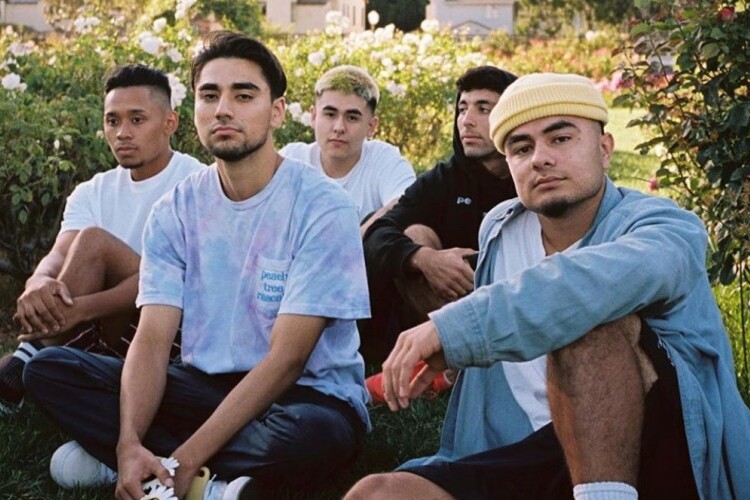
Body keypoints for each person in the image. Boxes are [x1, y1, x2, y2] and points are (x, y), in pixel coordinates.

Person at [345, 73, 750, 500]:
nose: (540, 158)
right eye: (522, 148)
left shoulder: (667, 228)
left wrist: (455, 329)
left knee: (589, 327)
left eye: (560, 139)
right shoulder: (500, 230)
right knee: (377, 493)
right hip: (535, 451)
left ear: (604, 149)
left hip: (650, 451)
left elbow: (583, 287)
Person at [23, 31, 371, 500]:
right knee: (49, 370)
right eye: (210, 95)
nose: (223, 109)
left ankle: (168, 473)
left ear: (277, 112)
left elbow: (288, 360)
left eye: (243, 95)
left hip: (303, 399)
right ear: (194, 112)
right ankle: (179, 476)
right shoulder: (176, 209)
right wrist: (128, 442)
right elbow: (152, 340)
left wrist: (186, 459)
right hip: (202, 387)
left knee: (311, 437)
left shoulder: (323, 207)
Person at [0, 63, 203, 414]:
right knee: (82, 247)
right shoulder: (93, 190)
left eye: (137, 120)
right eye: (112, 121)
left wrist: (81, 309)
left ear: (170, 123)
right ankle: (28, 362)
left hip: (166, 332)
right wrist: (39, 281)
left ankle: (25, 358)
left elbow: (177, 280)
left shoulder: (197, 184)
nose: (122, 133)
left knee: (95, 243)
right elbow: (61, 252)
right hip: (101, 328)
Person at [360, 66, 517, 398]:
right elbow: (378, 234)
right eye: (462, 108)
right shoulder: (447, 178)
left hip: (512, 298)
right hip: (444, 309)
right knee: (415, 233)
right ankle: (459, 362)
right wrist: (424, 258)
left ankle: (471, 364)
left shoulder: (530, 173)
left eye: (483, 109)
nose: (467, 121)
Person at [280, 64, 415, 234]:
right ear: (314, 117)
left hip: (363, 251)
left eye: (352, 118)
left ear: (371, 126)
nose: (339, 127)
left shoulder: (383, 159)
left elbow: (407, 203)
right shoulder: (293, 159)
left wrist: (350, 242)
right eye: (330, 114)